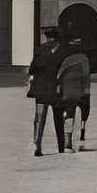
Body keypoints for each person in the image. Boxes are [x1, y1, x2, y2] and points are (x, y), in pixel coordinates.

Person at [28, 28, 65, 156]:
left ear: (47, 37)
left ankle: (37, 145)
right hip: (56, 90)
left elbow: (32, 69)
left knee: (39, 118)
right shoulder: (61, 51)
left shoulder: (40, 50)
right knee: (59, 118)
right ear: (57, 39)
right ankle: (61, 146)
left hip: (41, 91)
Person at [51, 39, 93, 151]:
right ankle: (81, 133)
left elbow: (58, 75)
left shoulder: (66, 60)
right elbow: (86, 75)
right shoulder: (83, 59)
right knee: (84, 113)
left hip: (66, 91)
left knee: (69, 115)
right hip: (78, 91)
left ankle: (68, 140)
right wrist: (87, 91)